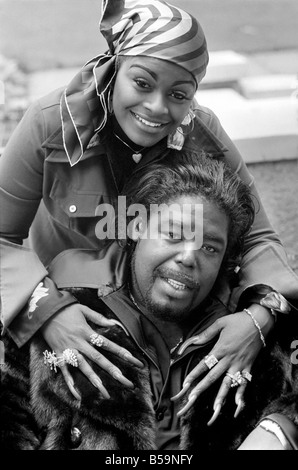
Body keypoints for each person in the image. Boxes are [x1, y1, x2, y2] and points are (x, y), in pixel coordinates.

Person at [0, 0, 297, 411]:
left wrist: (260, 317)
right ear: (115, 67)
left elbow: (257, 235)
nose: (158, 108)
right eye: (142, 83)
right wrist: (47, 311)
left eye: (178, 94)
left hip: (169, 307)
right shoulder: (51, 123)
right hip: (75, 306)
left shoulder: (202, 132)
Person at [1, 151, 298, 451]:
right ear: (136, 231)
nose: (188, 257)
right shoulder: (57, 318)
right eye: (172, 233)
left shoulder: (261, 334)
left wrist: (280, 428)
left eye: (209, 247)